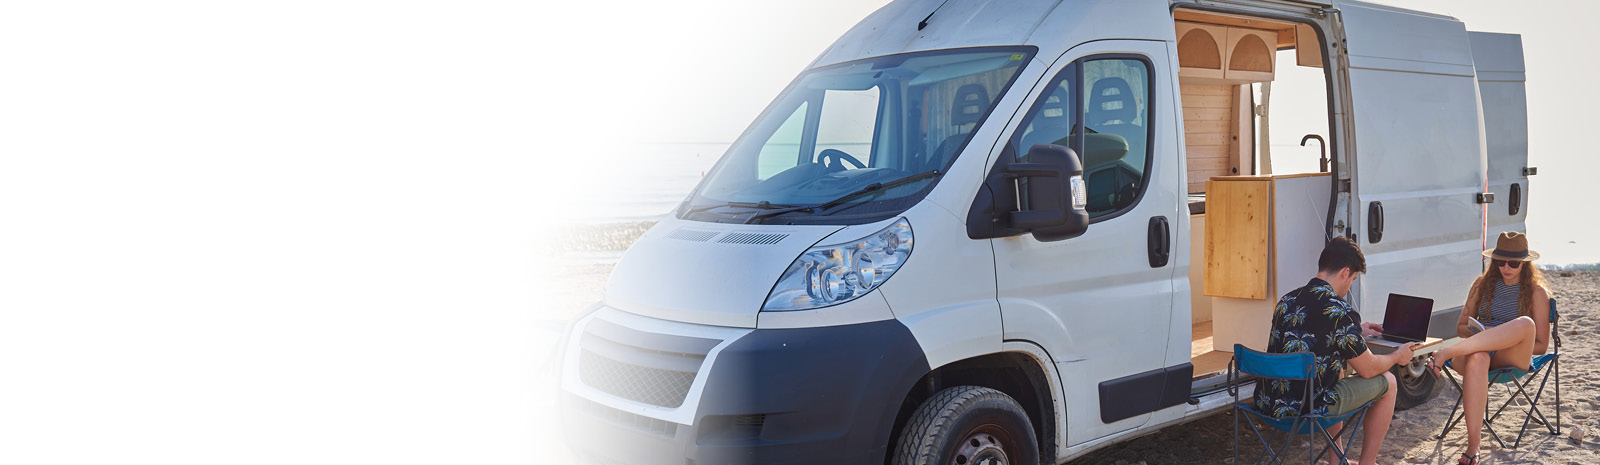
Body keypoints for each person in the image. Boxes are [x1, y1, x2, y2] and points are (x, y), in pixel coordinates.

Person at [1255, 236, 1415, 465]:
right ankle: (1368, 462)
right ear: (1344, 272)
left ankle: (1337, 459)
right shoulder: (1340, 311)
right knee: (1389, 382)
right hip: (1307, 411)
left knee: (1336, 368)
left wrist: (1356, 330)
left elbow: (1309, 328)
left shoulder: (1287, 300)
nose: (1350, 285)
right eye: (1353, 279)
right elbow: (1369, 369)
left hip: (1269, 404)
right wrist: (1397, 356)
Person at [1426, 231, 1551, 465]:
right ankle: (1473, 447)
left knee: (1526, 323)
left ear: (1524, 264)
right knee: (1479, 357)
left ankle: (1445, 353)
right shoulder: (1482, 284)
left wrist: (1504, 338)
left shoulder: (1536, 293)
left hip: (1511, 356)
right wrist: (1481, 335)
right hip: (1476, 353)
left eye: (1513, 263)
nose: (1506, 267)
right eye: (1500, 261)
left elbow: (1542, 345)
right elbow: (1461, 327)